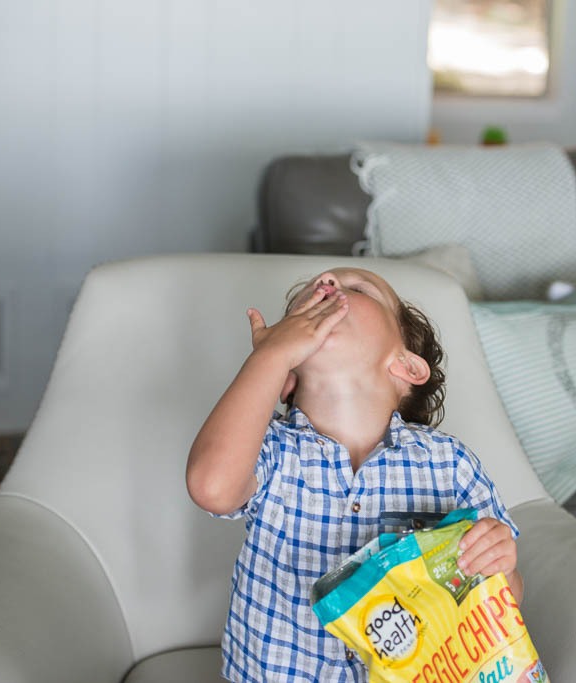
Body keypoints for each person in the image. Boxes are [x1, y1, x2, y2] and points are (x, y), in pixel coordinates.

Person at [186, 267, 522, 683]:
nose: (326, 282)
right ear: (287, 379)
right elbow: (212, 488)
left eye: (358, 289)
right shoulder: (270, 448)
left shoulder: (450, 463)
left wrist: (500, 563)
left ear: (406, 366)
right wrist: (269, 357)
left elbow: (502, 601)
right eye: (308, 300)